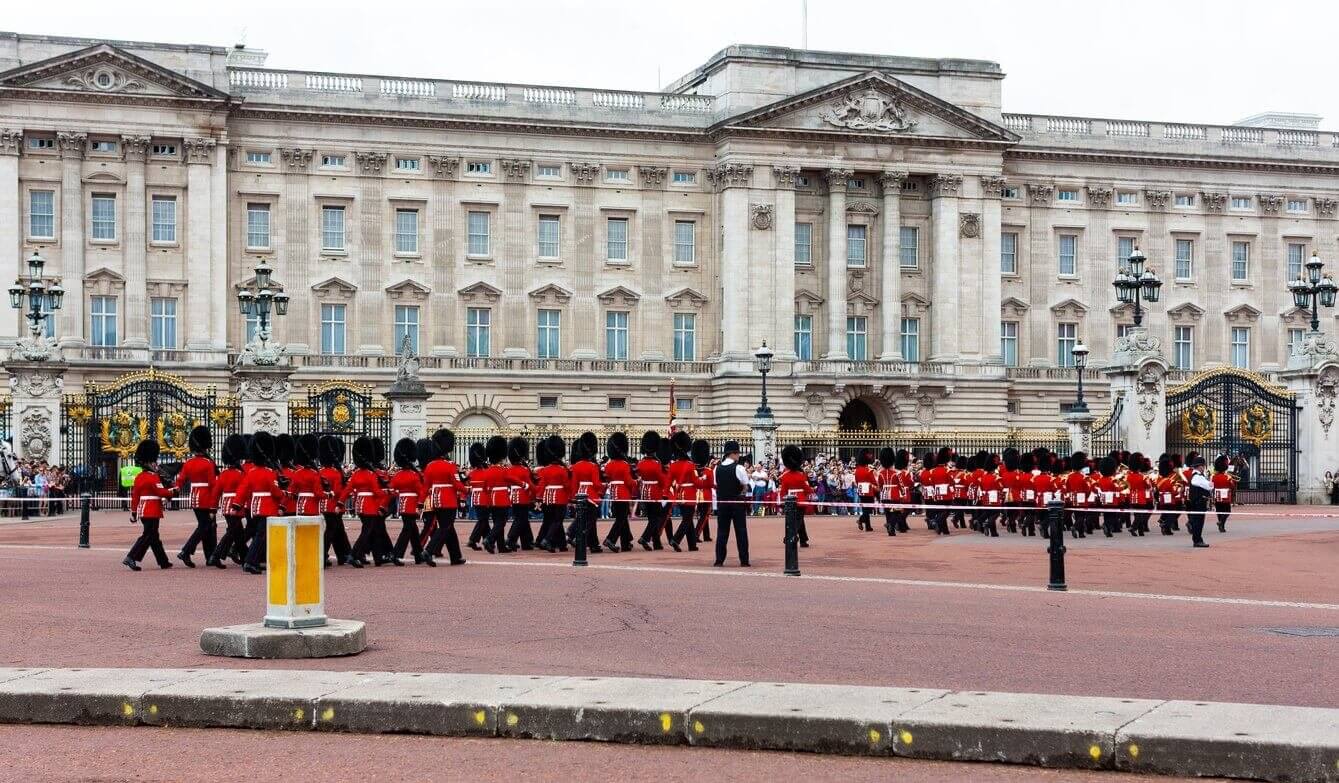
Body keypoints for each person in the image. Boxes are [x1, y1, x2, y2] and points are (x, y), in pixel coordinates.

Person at [236, 431, 286, 575]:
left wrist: (236, 505)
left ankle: (253, 560)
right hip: (267, 507)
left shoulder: (251, 471)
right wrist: (283, 493)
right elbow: (275, 492)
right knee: (261, 536)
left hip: (255, 507)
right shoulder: (269, 473)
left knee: (259, 534)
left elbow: (243, 489)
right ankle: (250, 562)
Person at [341, 435, 396, 567]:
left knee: (375, 530)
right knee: (367, 531)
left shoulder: (356, 474)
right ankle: (354, 555)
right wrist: (388, 492)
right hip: (370, 506)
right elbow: (376, 492)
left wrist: (340, 503)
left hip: (359, 506)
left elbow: (347, 490)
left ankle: (377, 557)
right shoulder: (371, 475)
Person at [122, 439, 176, 571]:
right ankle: (131, 557)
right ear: (149, 463)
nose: (155, 464)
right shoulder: (153, 477)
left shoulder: (139, 477)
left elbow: (135, 497)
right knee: (148, 535)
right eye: (153, 462)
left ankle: (163, 561)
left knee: (154, 537)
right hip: (152, 510)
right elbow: (160, 491)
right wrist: (172, 492)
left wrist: (134, 513)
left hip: (143, 510)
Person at [423, 428, 468, 566]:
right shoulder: (450, 465)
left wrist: (420, 503)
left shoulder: (430, 466)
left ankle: (455, 556)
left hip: (435, 499)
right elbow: (456, 484)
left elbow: (425, 487)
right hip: (448, 500)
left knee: (449, 528)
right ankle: (428, 551)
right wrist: (467, 489)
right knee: (445, 528)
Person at [174, 425, 218, 568]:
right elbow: (213, 484)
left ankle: (210, 556)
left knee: (208, 527)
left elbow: (180, 480)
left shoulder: (189, 463)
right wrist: (214, 504)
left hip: (194, 497)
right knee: (205, 526)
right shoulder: (208, 463)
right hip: (206, 498)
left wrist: (174, 489)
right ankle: (186, 550)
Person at [208, 434, 248, 568]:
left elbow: (216, 493)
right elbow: (244, 491)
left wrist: (213, 509)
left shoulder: (224, 474)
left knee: (239, 534)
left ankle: (245, 558)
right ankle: (215, 555)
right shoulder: (241, 474)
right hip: (236, 506)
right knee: (233, 532)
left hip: (225, 506)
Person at [389, 437, 429, 564]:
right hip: (412, 505)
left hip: (402, 505)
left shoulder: (397, 475)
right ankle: (396, 554)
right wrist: (420, 505)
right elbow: (421, 491)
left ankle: (418, 554)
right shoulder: (414, 475)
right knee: (407, 529)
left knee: (413, 529)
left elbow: (392, 491)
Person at [713, 440, 751, 567]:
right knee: (741, 531)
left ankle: (719, 559)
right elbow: (745, 487)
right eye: (738, 453)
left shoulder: (716, 469)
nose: (739, 456)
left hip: (722, 503)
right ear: (733, 454)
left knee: (722, 532)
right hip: (737, 503)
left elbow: (717, 485)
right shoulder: (739, 468)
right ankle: (744, 560)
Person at [318, 436, 352, 565]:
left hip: (324, 505)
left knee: (338, 530)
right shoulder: (336, 473)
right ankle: (322, 554)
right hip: (334, 505)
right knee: (331, 530)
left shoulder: (320, 471)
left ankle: (344, 554)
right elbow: (337, 490)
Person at [534, 435, 571, 553]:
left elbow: (542, 485)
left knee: (553, 521)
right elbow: (566, 486)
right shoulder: (563, 470)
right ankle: (547, 540)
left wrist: (539, 498)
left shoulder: (544, 470)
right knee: (557, 520)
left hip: (547, 498)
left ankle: (561, 544)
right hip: (560, 498)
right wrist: (571, 496)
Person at [635, 431, 669, 550]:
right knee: (656, 518)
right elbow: (661, 479)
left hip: (645, 492)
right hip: (655, 492)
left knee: (652, 518)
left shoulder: (641, 463)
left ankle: (657, 543)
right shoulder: (656, 463)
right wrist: (665, 492)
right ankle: (645, 537)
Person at [602, 432, 635, 552]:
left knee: (623, 517)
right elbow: (629, 482)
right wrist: (637, 482)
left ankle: (626, 543)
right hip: (622, 494)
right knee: (621, 519)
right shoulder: (624, 465)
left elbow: (608, 478)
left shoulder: (609, 465)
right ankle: (610, 539)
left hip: (613, 493)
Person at [667, 431, 699, 552]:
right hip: (689, 495)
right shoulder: (690, 465)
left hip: (679, 495)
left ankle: (692, 545)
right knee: (687, 519)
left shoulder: (673, 465)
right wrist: (703, 480)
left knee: (688, 519)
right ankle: (676, 539)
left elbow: (669, 482)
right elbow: (696, 482)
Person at [505, 437, 536, 551]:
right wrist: (537, 490)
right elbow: (530, 484)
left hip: (513, 496)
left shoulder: (509, 469)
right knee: (521, 519)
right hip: (523, 496)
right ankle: (511, 539)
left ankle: (527, 542)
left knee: (522, 518)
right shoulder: (524, 470)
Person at [777, 445, 812, 546]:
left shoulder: (785, 476)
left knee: (796, 519)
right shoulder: (800, 475)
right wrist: (811, 491)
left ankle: (803, 540)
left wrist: (782, 501)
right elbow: (806, 488)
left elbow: (783, 490)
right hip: (800, 499)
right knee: (798, 520)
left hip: (789, 499)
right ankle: (790, 535)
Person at [1185, 455, 1213, 548]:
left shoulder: (1199, 476)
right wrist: (1210, 480)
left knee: (1198, 521)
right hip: (1198, 502)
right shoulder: (1197, 477)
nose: (1204, 467)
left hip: (1199, 501)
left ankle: (1193, 527)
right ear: (1200, 466)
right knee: (1199, 522)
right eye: (1203, 466)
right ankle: (1197, 540)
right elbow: (1209, 486)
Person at [1211, 455, 1237, 533]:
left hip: (1217, 496)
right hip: (1225, 497)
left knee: (1219, 511)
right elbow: (1232, 486)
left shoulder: (1213, 477)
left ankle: (1221, 526)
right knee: (1227, 511)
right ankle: (1221, 523)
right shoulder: (1228, 477)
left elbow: (1211, 486)